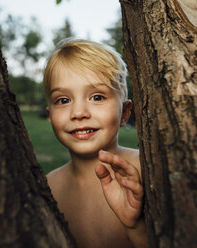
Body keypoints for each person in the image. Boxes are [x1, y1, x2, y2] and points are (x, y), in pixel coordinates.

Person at [44, 39, 147, 248]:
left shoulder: (144, 172)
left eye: (97, 97)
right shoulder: (48, 187)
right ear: (50, 115)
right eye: (63, 100)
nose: (79, 113)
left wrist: (135, 227)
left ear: (125, 113)